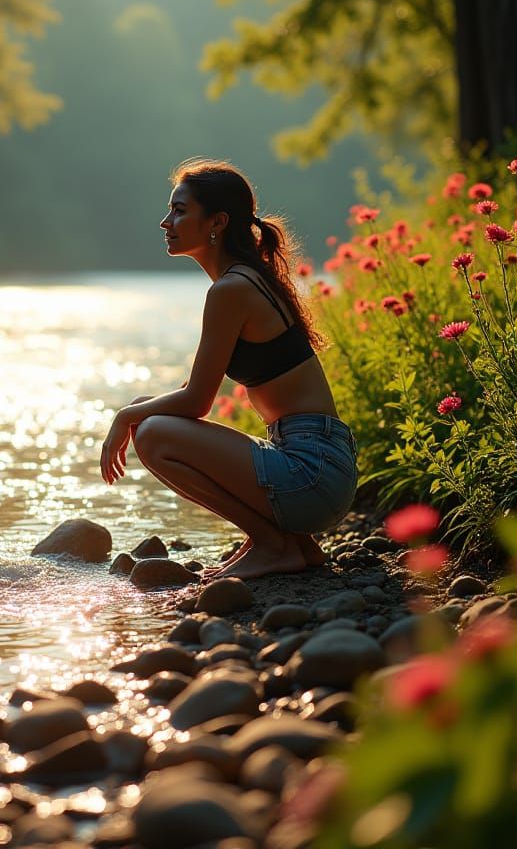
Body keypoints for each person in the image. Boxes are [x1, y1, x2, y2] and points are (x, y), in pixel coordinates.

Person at [100, 158, 358, 580]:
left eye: (180, 210)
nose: (166, 222)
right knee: (151, 420)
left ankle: (273, 545)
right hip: (318, 465)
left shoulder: (232, 289)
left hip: (312, 474)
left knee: (152, 434)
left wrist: (126, 415)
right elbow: (191, 390)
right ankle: (291, 544)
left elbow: (197, 403)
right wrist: (139, 405)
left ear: (217, 222)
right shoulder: (244, 280)